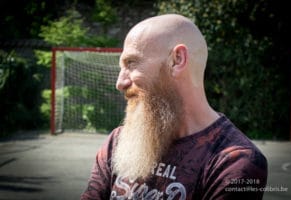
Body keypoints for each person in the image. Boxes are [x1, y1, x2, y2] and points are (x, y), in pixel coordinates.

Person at [81, 14, 268, 200]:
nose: (120, 83)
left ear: (177, 60)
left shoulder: (233, 161)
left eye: (132, 63)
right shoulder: (118, 142)